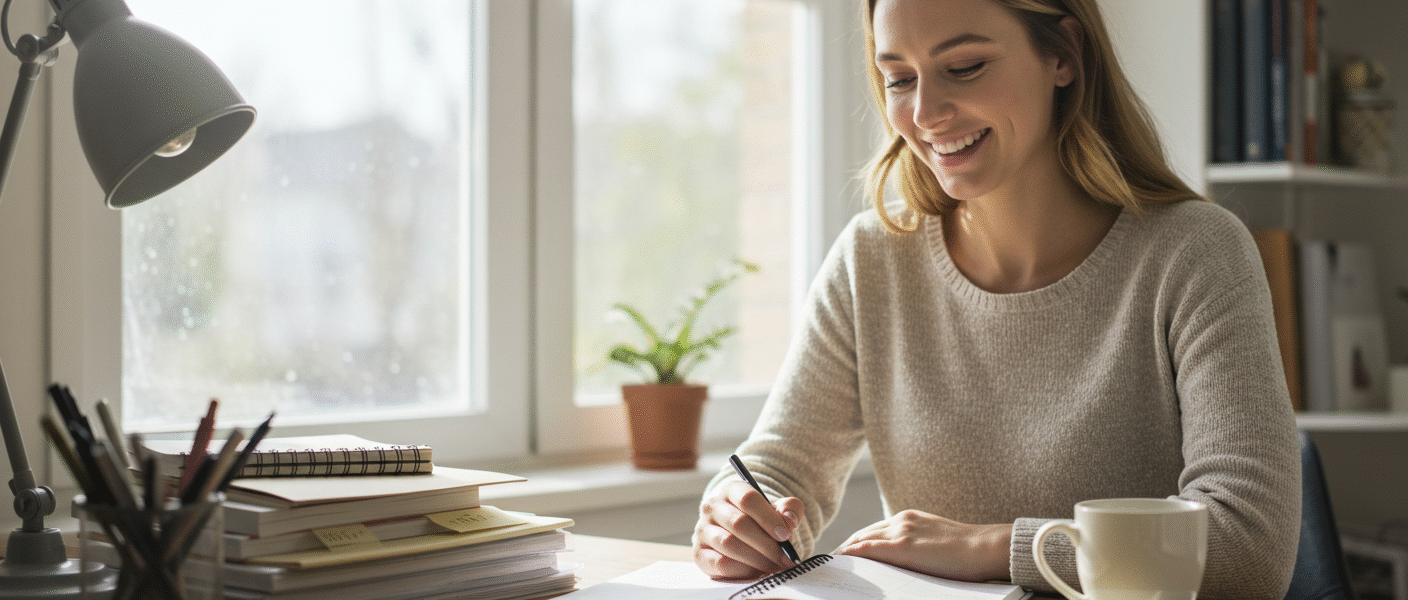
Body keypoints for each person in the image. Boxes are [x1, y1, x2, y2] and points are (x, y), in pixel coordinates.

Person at [691, 0, 1302, 599]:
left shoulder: (1197, 253)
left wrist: (987, 548)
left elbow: (1250, 548)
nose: (925, 113)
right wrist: (742, 518)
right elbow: (775, 468)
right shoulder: (871, 259)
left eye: (964, 68)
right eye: (899, 78)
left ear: (1063, 52)